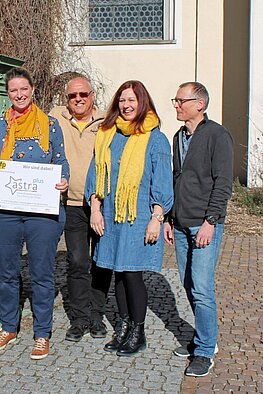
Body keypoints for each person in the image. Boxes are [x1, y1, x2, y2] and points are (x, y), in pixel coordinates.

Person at [0, 67, 70, 360]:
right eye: (13, 91)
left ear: (32, 90)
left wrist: (63, 181)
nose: (19, 95)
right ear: (8, 94)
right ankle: (9, 326)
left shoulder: (50, 124)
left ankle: (42, 332)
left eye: (24, 89)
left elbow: (61, 161)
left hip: (40, 213)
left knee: (42, 273)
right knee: (6, 271)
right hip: (5, 212)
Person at [85, 80, 173, 357]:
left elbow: (162, 182)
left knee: (132, 274)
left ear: (142, 102)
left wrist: (157, 217)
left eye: (132, 100)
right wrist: (96, 209)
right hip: (110, 215)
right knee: (116, 273)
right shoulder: (107, 134)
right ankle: (122, 327)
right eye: (122, 100)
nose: (126, 105)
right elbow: (95, 174)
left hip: (139, 216)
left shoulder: (155, 138)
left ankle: (138, 331)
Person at [164, 82, 233, 377]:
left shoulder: (217, 136)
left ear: (199, 104)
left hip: (204, 225)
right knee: (189, 284)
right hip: (180, 223)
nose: (176, 105)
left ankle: (205, 350)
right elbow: (175, 179)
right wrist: (169, 218)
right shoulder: (179, 136)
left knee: (203, 289)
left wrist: (211, 221)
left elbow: (223, 183)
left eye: (181, 100)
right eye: (175, 100)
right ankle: (205, 337)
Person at [49, 75, 113, 342]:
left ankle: (96, 315)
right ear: (66, 99)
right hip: (72, 204)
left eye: (83, 95)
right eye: (73, 96)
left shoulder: (108, 122)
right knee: (77, 262)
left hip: (102, 204)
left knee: (101, 262)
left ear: (92, 95)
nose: (78, 100)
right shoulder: (55, 118)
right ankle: (79, 318)